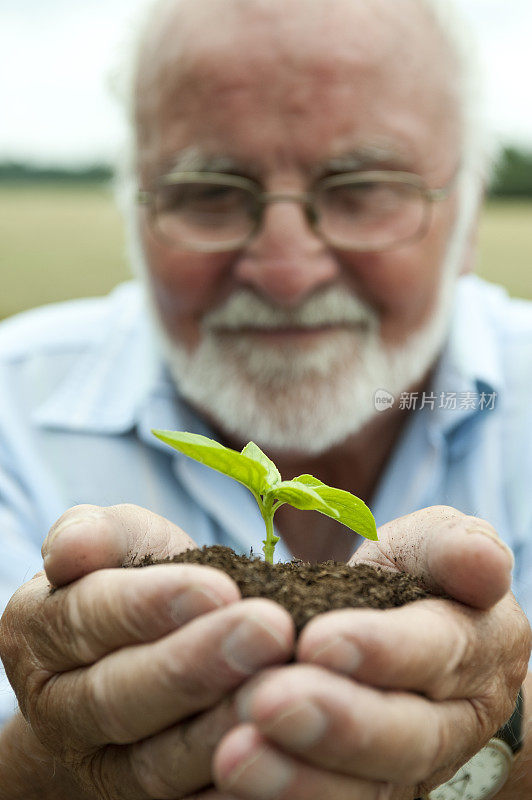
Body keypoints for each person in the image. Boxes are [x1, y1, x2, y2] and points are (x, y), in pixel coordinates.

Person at [0, 0, 531, 797]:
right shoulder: (15, 406)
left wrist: (506, 727)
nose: (286, 272)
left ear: (468, 215)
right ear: (135, 208)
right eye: (209, 192)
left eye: (362, 187)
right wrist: (58, 751)